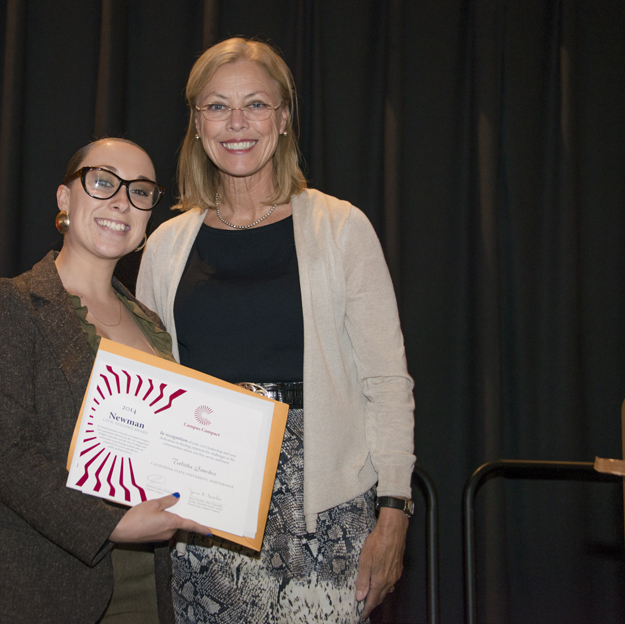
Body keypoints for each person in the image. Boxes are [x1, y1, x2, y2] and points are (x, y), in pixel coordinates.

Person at [136, 38, 416, 623]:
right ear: (195, 122)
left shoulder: (341, 229)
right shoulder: (165, 246)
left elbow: (387, 382)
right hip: (207, 518)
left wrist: (394, 513)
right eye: (217, 107)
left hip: (327, 513)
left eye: (255, 105)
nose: (236, 124)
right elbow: (147, 386)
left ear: (283, 118)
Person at [0, 138, 209, 624]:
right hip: (32, 592)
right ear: (65, 199)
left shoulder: (152, 326)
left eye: (140, 192)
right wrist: (111, 524)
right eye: (103, 183)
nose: (122, 202)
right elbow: (6, 455)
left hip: (144, 594)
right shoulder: (11, 305)